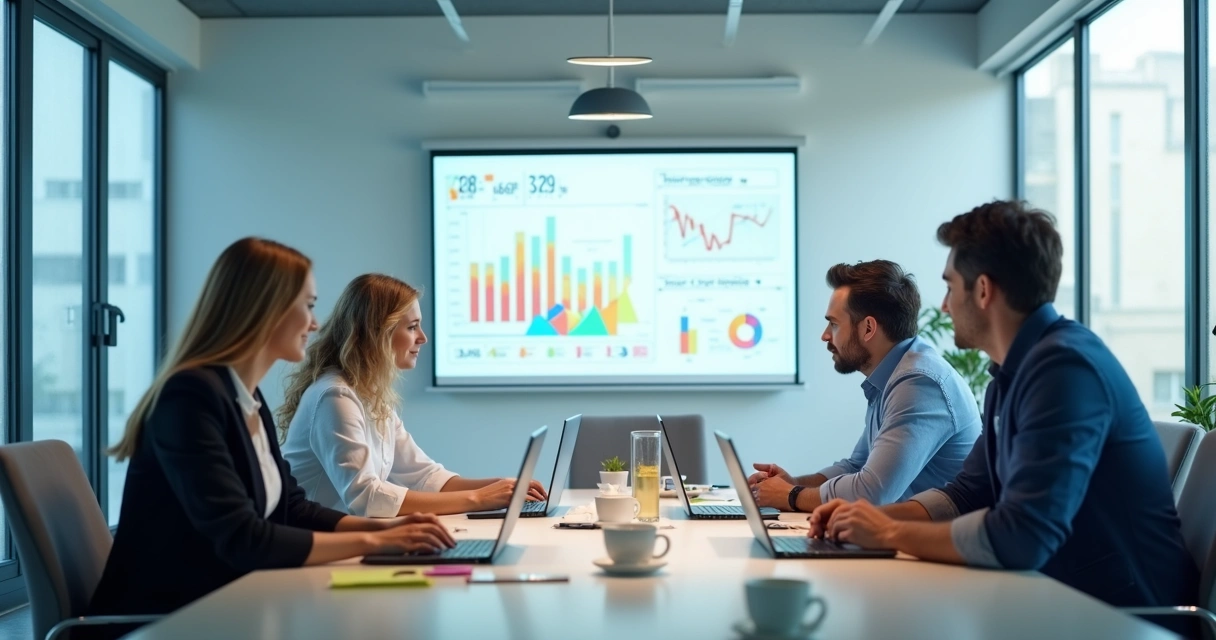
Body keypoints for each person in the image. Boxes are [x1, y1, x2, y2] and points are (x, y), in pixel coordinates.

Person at [809, 201, 1198, 614]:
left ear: (982, 290)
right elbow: (965, 494)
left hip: (1124, 617)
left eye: (949, 286)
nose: (944, 306)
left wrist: (888, 530)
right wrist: (861, 520)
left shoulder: (1065, 370)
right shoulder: (1012, 373)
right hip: (1058, 597)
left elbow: (1021, 535)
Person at [89, 239, 454, 626]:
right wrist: (376, 540)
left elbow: (291, 508)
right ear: (266, 309)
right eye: (309, 306)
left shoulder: (244, 395)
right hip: (169, 618)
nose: (315, 324)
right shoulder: (190, 399)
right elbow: (243, 538)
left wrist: (391, 530)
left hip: (227, 602)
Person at [279, 274, 546, 517]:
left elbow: (424, 476)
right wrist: (478, 499)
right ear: (377, 333)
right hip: (312, 546)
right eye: (412, 327)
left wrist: (501, 487)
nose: (423, 338)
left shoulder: (370, 394)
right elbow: (366, 497)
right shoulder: (335, 397)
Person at [748, 260, 981, 512]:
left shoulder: (918, 383)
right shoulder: (893, 376)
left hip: (932, 545)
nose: (825, 335)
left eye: (834, 324)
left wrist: (791, 496)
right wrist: (792, 484)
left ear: (868, 328)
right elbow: (855, 466)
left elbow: (871, 492)